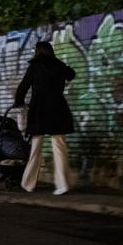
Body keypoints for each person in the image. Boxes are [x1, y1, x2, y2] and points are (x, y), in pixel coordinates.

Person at [12, 40, 77, 195]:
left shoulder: (35, 66)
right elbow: (71, 74)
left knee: (36, 147)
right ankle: (63, 185)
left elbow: (23, 87)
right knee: (59, 146)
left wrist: (19, 103)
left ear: (37, 51)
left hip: (39, 110)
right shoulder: (58, 65)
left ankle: (28, 184)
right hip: (57, 109)